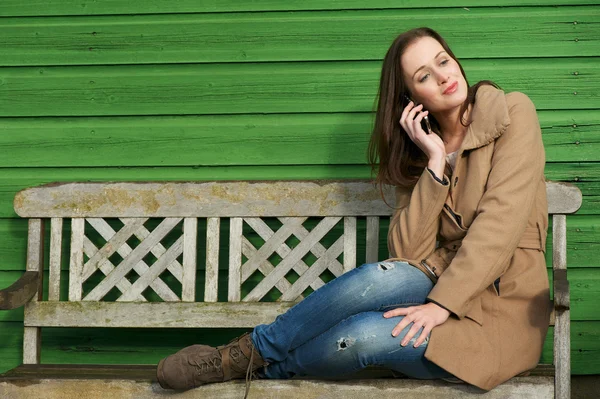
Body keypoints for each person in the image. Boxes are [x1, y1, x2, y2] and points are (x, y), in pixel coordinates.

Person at [156, 27, 551, 395]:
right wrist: (434, 162)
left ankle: (259, 368)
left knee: (359, 336)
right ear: (410, 99)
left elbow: (501, 223)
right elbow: (407, 256)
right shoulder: (417, 155)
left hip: (502, 303)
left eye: (443, 61)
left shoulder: (512, 112)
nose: (443, 76)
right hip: (436, 279)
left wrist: (440, 306)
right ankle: (242, 354)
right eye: (423, 75)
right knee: (375, 279)